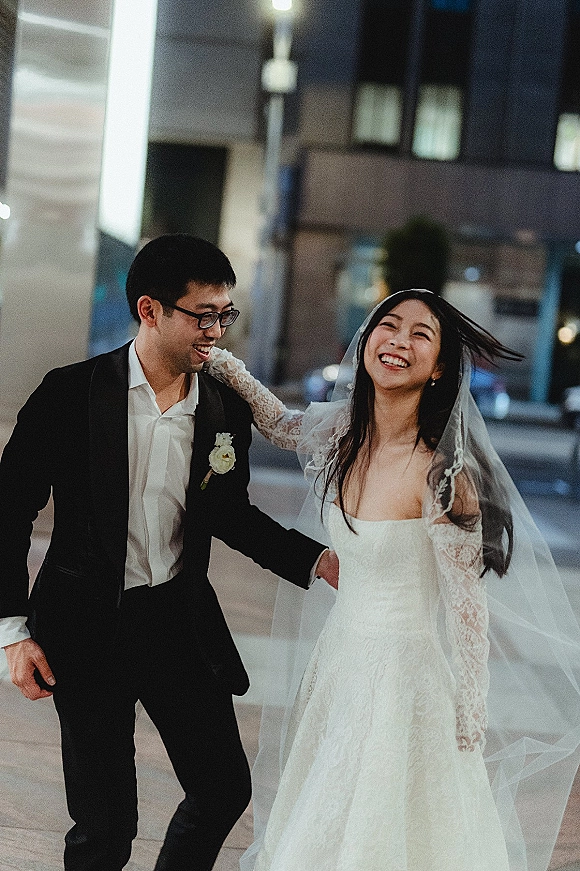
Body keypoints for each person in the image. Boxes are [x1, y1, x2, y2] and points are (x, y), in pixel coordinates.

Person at [207, 289, 580, 871]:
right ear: (366, 341)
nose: (399, 341)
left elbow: (466, 605)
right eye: (389, 325)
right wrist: (224, 364)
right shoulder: (342, 435)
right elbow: (281, 424)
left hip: (405, 682)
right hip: (340, 665)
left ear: (439, 370)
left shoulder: (443, 474)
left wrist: (469, 716)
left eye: (421, 335)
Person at [0, 233, 338, 871]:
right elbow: (8, 512)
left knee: (221, 788)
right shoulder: (70, 394)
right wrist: (14, 631)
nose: (215, 331)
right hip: (85, 624)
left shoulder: (221, 406)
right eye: (201, 315)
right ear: (149, 310)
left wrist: (316, 560)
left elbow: (228, 512)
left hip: (176, 622)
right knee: (103, 827)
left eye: (224, 315)